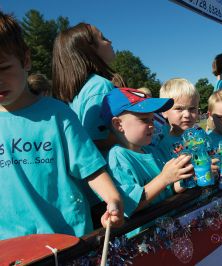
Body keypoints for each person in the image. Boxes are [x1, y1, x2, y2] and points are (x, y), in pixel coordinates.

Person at [0, 11, 124, 240]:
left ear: (26, 60)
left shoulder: (58, 114)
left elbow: (90, 167)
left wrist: (113, 199)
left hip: (69, 241)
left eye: (3, 68)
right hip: (11, 250)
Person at [100, 87, 193, 216]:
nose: (152, 125)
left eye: (152, 119)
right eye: (144, 120)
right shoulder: (118, 158)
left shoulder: (152, 151)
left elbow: (171, 188)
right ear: (118, 124)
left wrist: (186, 176)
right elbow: (129, 205)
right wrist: (164, 178)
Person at [52, 23, 117, 152]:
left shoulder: (81, 89)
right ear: (89, 49)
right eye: (103, 38)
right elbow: (96, 140)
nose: (110, 41)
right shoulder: (100, 86)